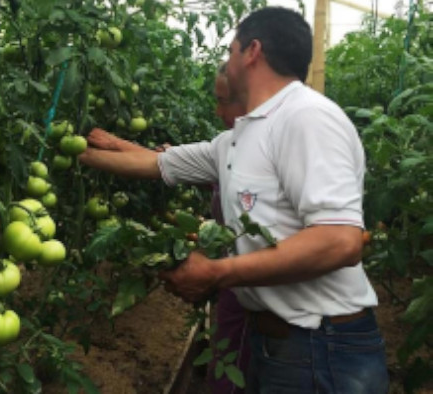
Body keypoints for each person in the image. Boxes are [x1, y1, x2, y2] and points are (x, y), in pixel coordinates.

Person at [79, 6, 389, 394]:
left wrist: (216, 273)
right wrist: (70, 147)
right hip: (278, 343)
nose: (226, 63)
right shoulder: (239, 138)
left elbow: (340, 240)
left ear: (252, 51)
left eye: (230, 52)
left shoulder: (306, 118)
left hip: (321, 347)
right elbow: (155, 163)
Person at [86, 63, 250, 393]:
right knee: (229, 370)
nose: (217, 111)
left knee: (248, 369)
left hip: (258, 287)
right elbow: (161, 162)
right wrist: (91, 149)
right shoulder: (225, 146)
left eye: (224, 101)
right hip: (236, 288)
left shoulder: (273, 152)